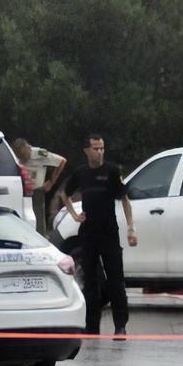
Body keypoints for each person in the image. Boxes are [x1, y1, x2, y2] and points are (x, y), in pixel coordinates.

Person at [60, 135, 136, 338]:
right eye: (96, 148)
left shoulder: (112, 171)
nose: (100, 152)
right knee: (91, 281)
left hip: (109, 232)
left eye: (102, 148)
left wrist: (131, 228)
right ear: (87, 151)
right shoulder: (81, 173)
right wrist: (75, 215)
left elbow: (125, 199)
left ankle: (120, 326)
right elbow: (64, 194)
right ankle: (92, 326)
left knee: (115, 280)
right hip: (88, 233)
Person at [11, 137, 66, 234]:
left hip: (36, 191)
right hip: (19, 190)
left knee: (38, 218)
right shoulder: (13, 155)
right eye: (20, 157)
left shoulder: (39, 153)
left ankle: (40, 237)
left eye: (24, 156)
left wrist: (51, 182)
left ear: (28, 148)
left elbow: (62, 161)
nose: (23, 159)